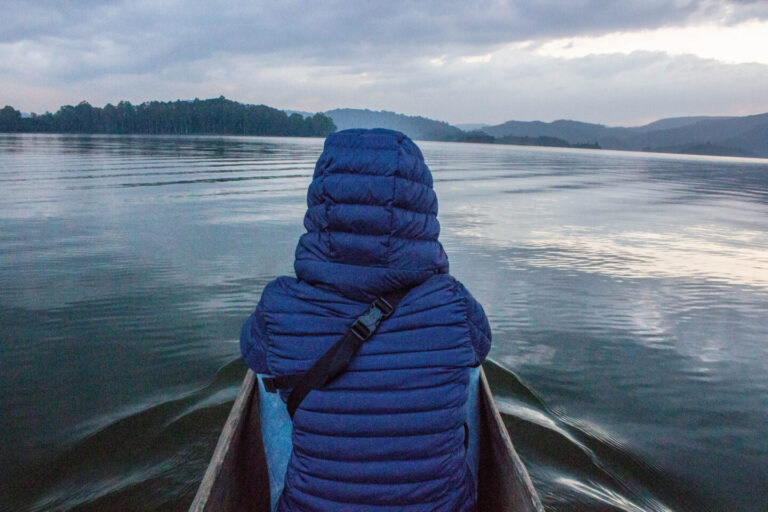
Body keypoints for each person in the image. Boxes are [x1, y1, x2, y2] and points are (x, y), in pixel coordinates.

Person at [240, 128, 491, 511]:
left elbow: (250, 351)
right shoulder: (454, 303)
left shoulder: (278, 304)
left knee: (267, 374)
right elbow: (482, 345)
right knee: (467, 369)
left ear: (321, 202)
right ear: (420, 205)